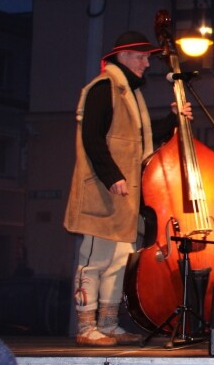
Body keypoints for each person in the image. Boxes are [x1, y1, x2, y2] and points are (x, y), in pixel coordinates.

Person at [64, 31, 190, 347]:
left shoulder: (127, 95)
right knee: (93, 258)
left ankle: (107, 323)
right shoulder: (103, 88)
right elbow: (92, 138)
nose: (147, 63)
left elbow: (140, 142)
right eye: (141, 56)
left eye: (148, 57)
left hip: (123, 195)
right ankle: (85, 325)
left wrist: (172, 120)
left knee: (118, 260)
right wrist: (112, 176)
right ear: (123, 56)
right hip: (103, 192)